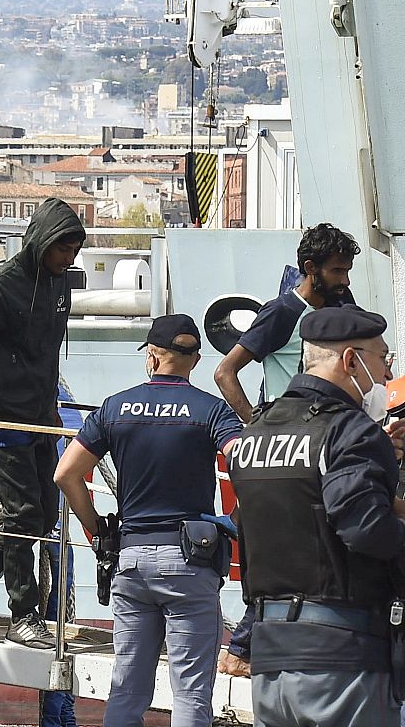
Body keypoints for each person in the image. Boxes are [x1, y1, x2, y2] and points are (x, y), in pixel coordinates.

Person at [54, 314, 242, 726]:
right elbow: (246, 465)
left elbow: (65, 473)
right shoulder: (211, 410)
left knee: (127, 689)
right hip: (191, 563)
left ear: (153, 357)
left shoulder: (115, 407)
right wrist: (232, 520)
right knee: (191, 694)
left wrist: (98, 529)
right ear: (193, 360)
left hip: (131, 559)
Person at [225, 306, 404, 726]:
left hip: (272, 658)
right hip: (343, 655)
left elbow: (269, 520)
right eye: (382, 359)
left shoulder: (257, 431)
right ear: (350, 360)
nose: (385, 374)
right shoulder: (350, 431)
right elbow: (365, 527)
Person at [0, 197, 84, 649]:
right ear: (42, 241)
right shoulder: (0, 287)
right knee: (22, 514)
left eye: (75, 250)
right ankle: (25, 614)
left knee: (42, 516)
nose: (69, 259)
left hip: (42, 416)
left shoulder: (60, 285)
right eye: (63, 249)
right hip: (2, 420)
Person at [214, 222, 359, 423]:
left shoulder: (341, 307)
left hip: (328, 435)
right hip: (289, 437)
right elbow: (225, 373)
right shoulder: (281, 311)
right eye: (337, 271)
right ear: (310, 267)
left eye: (347, 271)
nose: (345, 281)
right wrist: (258, 428)